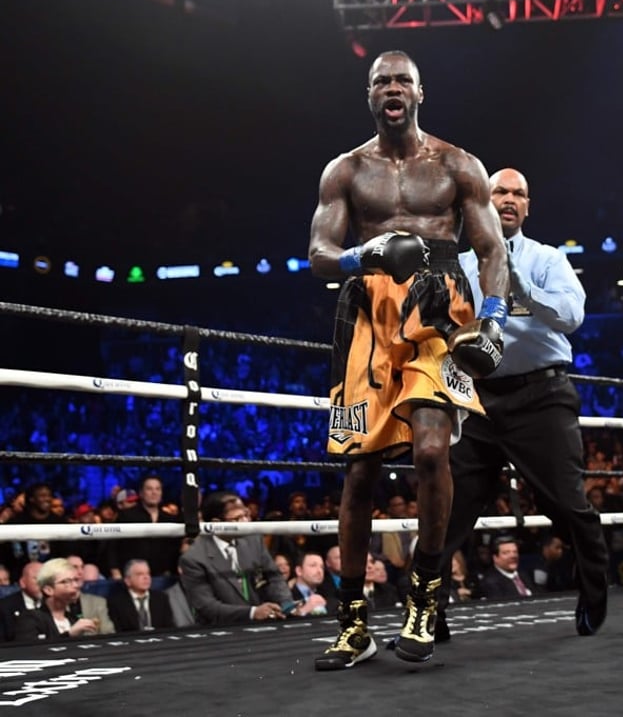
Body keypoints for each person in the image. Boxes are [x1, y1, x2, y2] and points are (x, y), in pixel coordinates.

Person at [307, 50, 509, 670]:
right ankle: (353, 623)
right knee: (361, 474)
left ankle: (425, 596)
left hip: (440, 305)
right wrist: (361, 255)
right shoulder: (345, 170)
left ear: (421, 92)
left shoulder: (457, 164)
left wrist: (494, 319)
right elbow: (317, 250)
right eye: (381, 81)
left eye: (402, 80)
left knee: (430, 450)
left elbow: (490, 246)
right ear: (369, 95)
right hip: (367, 309)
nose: (392, 88)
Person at [439, 167, 609, 638]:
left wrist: (521, 287)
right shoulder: (461, 264)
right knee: (450, 506)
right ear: (483, 199)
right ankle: (427, 612)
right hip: (478, 398)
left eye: (519, 193)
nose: (509, 199)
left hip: (542, 397)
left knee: (568, 505)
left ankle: (594, 592)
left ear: (528, 206)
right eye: (500, 191)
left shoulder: (547, 259)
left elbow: (572, 316)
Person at [178, 491, 295, 625]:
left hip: (261, 625)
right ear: (216, 523)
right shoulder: (193, 558)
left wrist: (286, 605)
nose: (246, 522)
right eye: (237, 519)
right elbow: (207, 606)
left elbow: (273, 576)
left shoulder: (254, 540)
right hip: (218, 630)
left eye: (246, 515)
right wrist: (252, 612)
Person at [107, 559, 175, 632]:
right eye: (140, 574)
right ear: (127, 581)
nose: (146, 577)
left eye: (148, 573)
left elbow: (169, 628)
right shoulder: (116, 603)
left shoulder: (161, 598)